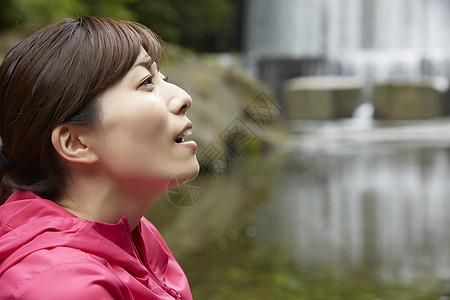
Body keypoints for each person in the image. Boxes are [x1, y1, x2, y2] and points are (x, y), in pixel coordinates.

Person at [0, 16, 199, 299]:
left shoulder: (135, 230)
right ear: (76, 142)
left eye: (163, 78)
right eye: (146, 82)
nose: (183, 97)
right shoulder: (62, 288)